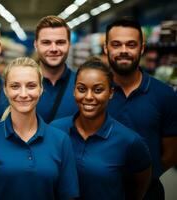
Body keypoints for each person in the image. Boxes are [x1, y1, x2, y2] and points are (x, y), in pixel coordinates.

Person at [0, 57, 79, 200]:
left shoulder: (61, 141)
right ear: (5, 89)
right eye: (15, 86)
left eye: (31, 86)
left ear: (41, 89)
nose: (23, 94)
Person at [51, 57, 152, 200]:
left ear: (111, 93)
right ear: (74, 91)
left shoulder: (129, 141)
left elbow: (139, 189)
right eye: (81, 89)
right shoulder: (55, 130)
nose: (89, 96)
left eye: (98, 90)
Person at [104, 16, 177, 200]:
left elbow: (172, 152)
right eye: (116, 44)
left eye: (131, 44)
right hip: (100, 190)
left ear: (142, 48)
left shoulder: (165, 95)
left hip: (149, 193)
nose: (123, 51)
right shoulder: (94, 94)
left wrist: (145, 177)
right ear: (106, 48)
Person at [34, 15, 78, 123]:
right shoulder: (22, 86)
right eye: (46, 42)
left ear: (69, 45)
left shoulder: (82, 85)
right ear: (36, 45)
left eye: (60, 42)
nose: (53, 49)